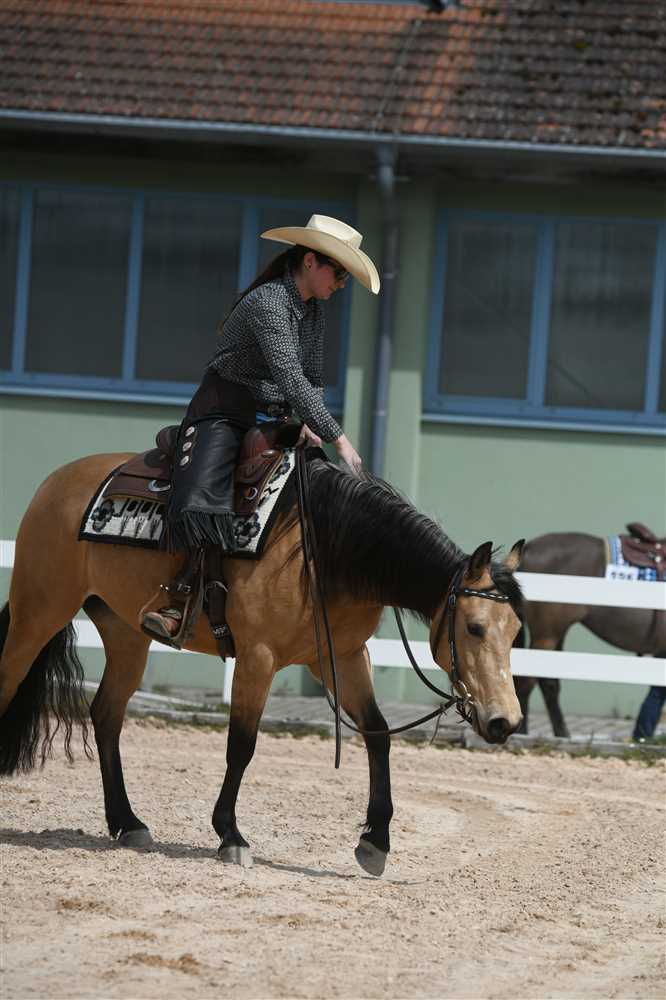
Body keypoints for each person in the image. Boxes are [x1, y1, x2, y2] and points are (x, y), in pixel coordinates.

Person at [141, 214, 380, 642]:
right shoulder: (268, 302)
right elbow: (289, 375)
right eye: (340, 273)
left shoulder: (313, 312)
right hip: (223, 411)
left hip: (277, 416)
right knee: (204, 498)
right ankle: (176, 599)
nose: (342, 284)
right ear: (311, 261)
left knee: (319, 491)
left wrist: (308, 422)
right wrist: (337, 437)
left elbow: (311, 378)